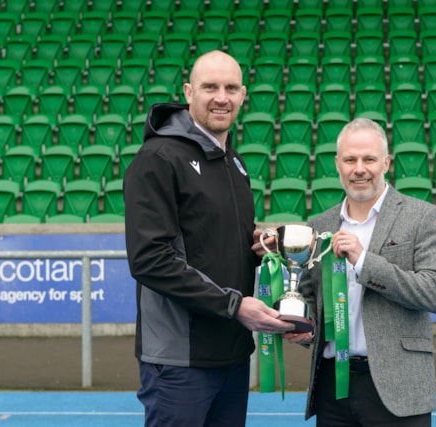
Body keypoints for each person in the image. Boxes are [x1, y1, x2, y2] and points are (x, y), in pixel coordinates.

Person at [123, 50, 294, 427]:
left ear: (243, 95)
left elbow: (213, 241)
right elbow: (150, 259)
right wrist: (234, 306)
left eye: (231, 88)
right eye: (210, 87)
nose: (222, 97)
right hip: (179, 359)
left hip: (231, 352)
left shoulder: (235, 161)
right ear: (188, 91)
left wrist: (260, 244)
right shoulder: (158, 158)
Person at [286, 118, 436, 426]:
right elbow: (313, 299)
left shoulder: (423, 217)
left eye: (369, 159)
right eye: (350, 159)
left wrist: (364, 262)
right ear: (338, 164)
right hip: (333, 386)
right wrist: (304, 327)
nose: (359, 168)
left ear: (386, 162)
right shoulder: (320, 225)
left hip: (398, 387)